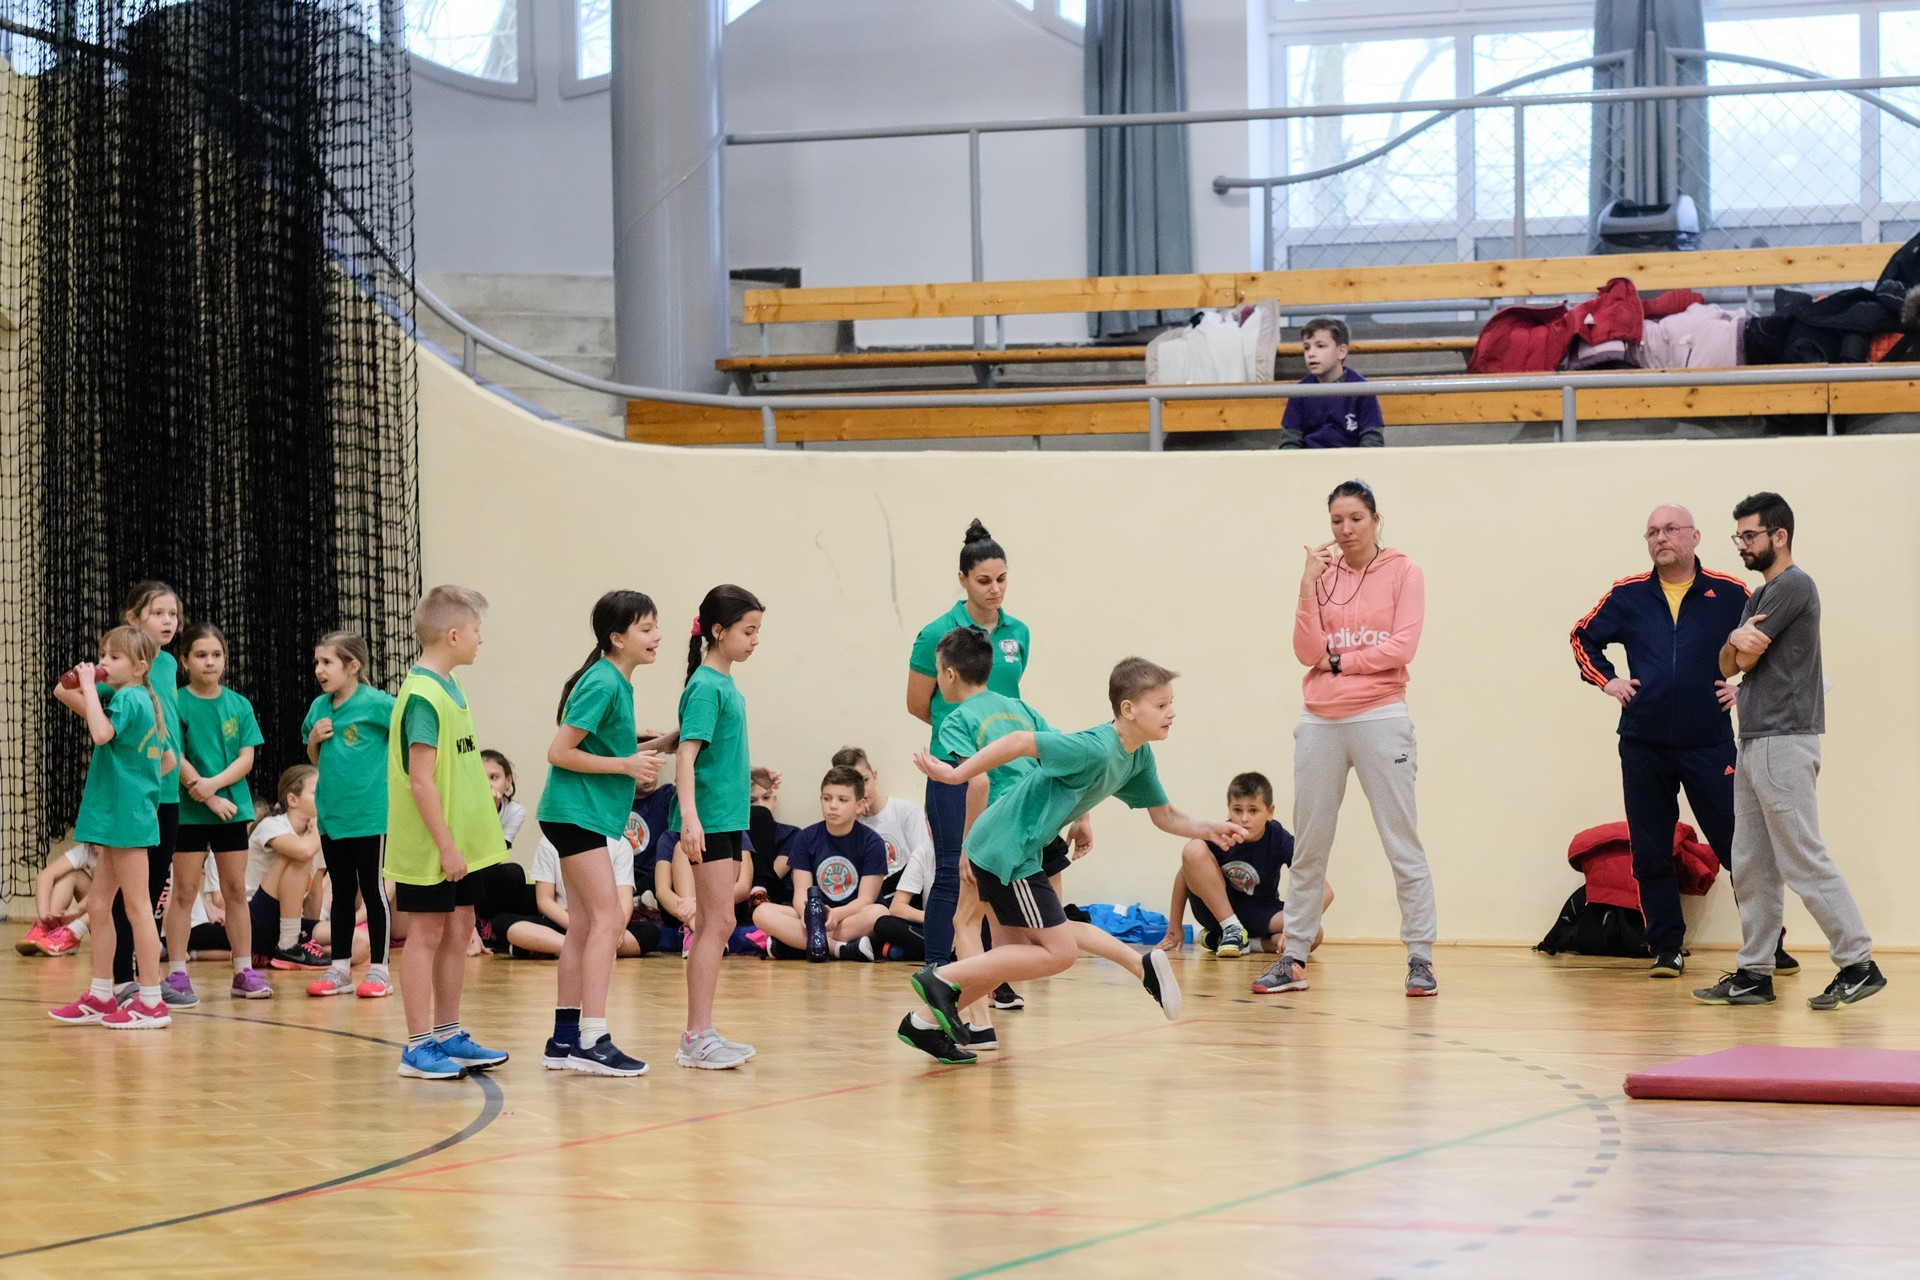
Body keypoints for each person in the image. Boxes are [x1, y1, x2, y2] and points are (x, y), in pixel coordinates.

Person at [902, 658, 1244, 1066]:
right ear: (1128, 709)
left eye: (1171, 703)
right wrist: (956, 776)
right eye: (1161, 705)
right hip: (1007, 849)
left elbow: (1165, 815)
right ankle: (942, 978)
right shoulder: (1094, 747)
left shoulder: (1137, 756)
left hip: (1014, 848)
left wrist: (1209, 828)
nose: (1171, 713)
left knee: (1012, 956)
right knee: (1059, 952)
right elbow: (1019, 742)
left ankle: (922, 1023)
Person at [1693, 494, 1886, 1010]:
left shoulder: (1794, 586)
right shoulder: (1761, 594)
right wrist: (1735, 641)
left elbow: (1743, 658)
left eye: (1749, 535)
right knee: (1751, 863)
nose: (1742, 545)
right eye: (1738, 537)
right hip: (1755, 739)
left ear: (1779, 536)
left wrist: (1737, 644)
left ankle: (1858, 963)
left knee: (1802, 857)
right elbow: (1727, 663)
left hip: (1784, 740)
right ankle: (1754, 973)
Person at [1570, 505, 1778, 979]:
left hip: (1709, 743)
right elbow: (1582, 637)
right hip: (1642, 744)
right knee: (1650, 850)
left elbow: (1774, 644)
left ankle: (1769, 945)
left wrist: (1746, 690)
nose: (1660, 538)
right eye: (1652, 532)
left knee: (1740, 847)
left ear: (1694, 537)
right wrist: (1608, 681)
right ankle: (1666, 947)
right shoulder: (1627, 594)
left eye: (1670, 530)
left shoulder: (1730, 592)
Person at [1257, 480, 1438, 999]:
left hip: (1382, 715)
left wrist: (1338, 661)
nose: (1346, 529)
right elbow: (1304, 650)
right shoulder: (1323, 576)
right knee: (1309, 846)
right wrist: (1305, 585)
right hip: (1320, 720)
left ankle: (1420, 959)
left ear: (1375, 520)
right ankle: (1293, 958)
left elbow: (1401, 647)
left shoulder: (1404, 571)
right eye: (1337, 520)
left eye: (1356, 518)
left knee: (1401, 842)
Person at [534, 590, 669, 1078]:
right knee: (609, 919)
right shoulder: (603, 681)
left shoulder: (617, 681)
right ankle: (593, 1039)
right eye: (646, 629)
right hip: (575, 814)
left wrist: (666, 743)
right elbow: (559, 751)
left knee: (586, 925)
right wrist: (626, 766)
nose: (657, 636)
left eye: (656, 626)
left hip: (577, 814)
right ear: (617, 637)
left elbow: (607, 748)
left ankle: (563, 1040)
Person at [385, 584, 513, 1081]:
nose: (482, 639)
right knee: (426, 935)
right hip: (431, 846)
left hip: (461, 845)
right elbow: (420, 781)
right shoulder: (422, 696)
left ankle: (448, 1032)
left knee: (459, 931)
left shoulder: (450, 686)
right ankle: (418, 1046)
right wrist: (444, 846)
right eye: (477, 630)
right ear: (454, 635)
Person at [906, 520, 1030, 968]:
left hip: (1007, 772)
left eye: (1002, 579)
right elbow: (919, 704)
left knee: (997, 872)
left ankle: (996, 974)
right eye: (983, 581)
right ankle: (937, 971)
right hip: (953, 768)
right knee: (951, 869)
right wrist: (966, 737)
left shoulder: (1019, 633)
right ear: (962, 580)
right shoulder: (935, 634)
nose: (995, 589)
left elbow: (1008, 700)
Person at [49, 625, 177, 1029]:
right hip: (122, 816)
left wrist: (88, 686)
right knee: (100, 905)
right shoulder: (141, 701)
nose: (103, 662)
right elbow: (167, 761)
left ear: (140, 667)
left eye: (113, 657)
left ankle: (152, 1001)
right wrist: (138, 782)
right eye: (103, 654)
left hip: (126, 819)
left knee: (137, 908)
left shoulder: (128, 699)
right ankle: (102, 995)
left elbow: (102, 734)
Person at [672, 584, 765, 1070]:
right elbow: (686, 757)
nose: (754, 640)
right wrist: (690, 816)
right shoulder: (707, 685)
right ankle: (696, 1035)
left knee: (717, 921)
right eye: (748, 631)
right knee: (717, 922)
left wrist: (751, 773)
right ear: (718, 631)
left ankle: (702, 1032)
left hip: (725, 817)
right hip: (707, 819)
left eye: (757, 631)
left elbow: (712, 750)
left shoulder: (723, 684)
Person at [163, 621, 269, 1003]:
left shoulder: (239, 705)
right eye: (201, 655)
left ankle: (243, 970)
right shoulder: (175, 702)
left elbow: (246, 758)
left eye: (216, 654)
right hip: (189, 812)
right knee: (184, 891)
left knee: (235, 891)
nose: (210, 662)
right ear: (185, 661)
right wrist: (206, 795)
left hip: (231, 810)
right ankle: (177, 973)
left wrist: (215, 785)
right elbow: (174, 756)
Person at [303, 632, 399, 998]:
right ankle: (339, 970)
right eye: (317, 662)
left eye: (327, 662)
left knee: (372, 890)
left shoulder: (377, 703)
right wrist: (314, 740)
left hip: (369, 815)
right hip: (332, 815)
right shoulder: (319, 708)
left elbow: (410, 735)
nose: (319, 669)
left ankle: (380, 971)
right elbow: (316, 759)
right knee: (341, 893)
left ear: (353, 666)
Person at [107, 581, 184, 1005]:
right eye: (158, 613)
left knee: (152, 893)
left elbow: (166, 726)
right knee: (126, 895)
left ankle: (146, 976)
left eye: (173, 614)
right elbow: (72, 692)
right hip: (134, 796)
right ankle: (122, 978)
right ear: (134, 618)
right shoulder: (120, 667)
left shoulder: (168, 664)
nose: (168, 621)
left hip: (167, 793)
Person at [1159, 772, 1331, 958]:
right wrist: (1174, 927)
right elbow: (1184, 874)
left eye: (1253, 811)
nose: (1244, 818)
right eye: (1237, 810)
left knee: (1313, 934)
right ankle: (1231, 928)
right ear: (1229, 810)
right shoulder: (1221, 834)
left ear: (1270, 812)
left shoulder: (1279, 838)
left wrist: (1298, 926)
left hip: (1259, 911)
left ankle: (1237, 941)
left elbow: (1326, 891)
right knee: (1193, 848)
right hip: (1216, 912)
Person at [752, 766, 885, 961]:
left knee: (879, 913)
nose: (833, 805)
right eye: (827, 798)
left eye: (842, 800)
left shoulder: (872, 842)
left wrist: (836, 914)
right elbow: (800, 894)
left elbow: (866, 899)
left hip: (849, 916)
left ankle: (798, 945)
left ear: (859, 805)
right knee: (762, 912)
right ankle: (839, 949)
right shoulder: (805, 838)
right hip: (814, 915)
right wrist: (808, 916)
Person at [247, 765, 327, 973]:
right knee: (302, 854)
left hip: (290, 923)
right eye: (316, 791)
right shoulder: (272, 825)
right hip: (255, 920)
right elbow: (303, 851)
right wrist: (319, 828)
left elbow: (314, 895)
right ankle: (287, 947)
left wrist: (311, 936)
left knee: (360, 943)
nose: (324, 796)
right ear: (292, 800)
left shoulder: (314, 838)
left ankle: (290, 952)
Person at [830, 747, 934, 903]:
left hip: (907, 896)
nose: (863, 791)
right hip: (866, 902)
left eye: (865, 780)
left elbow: (924, 862)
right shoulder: (846, 825)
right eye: (853, 786)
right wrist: (851, 822)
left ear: (874, 776)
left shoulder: (905, 811)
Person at [1277, 318, 1385, 450]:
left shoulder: (1363, 390)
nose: (1311, 354)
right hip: (1310, 460)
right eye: (1307, 348)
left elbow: (1372, 441)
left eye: (1320, 346)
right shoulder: (1300, 392)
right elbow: (1290, 442)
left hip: (1351, 460)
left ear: (1341, 351)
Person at [19, 844, 96, 957]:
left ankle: (72, 933)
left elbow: (106, 893)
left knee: (108, 897)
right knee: (71, 874)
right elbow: (45, 876)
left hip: (118, 925)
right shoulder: (88, 848)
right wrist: (45, 914)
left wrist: (77, 910)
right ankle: (48, 929)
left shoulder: (118, 851)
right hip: (100, 917)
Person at [483, 749, 527, 846]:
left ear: (508, 780)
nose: (487, 784)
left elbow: (498, 849)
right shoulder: (461, 808)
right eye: (480, 778)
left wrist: (492, 811)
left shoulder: (515, 811)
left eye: (493, 777)